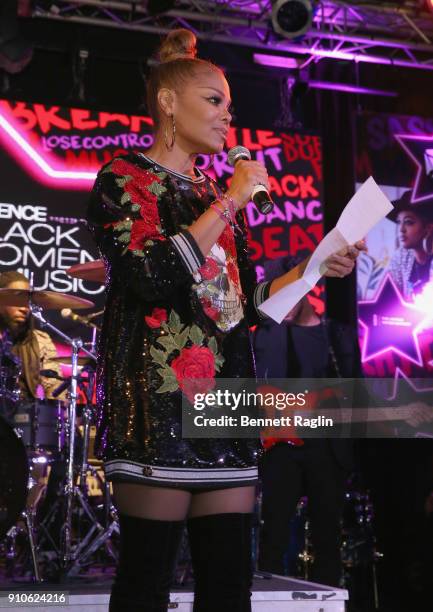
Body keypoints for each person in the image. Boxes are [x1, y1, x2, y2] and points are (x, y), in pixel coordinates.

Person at [86, 29, 364, 612]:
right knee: (146, 582)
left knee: (229, 585)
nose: (227, 119)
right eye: (215, 101)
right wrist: (230, 202)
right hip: (158, 400)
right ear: (168, 102)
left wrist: (313, 271)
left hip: (224, 406)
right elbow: (154, 277)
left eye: (230, 107)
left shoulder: (216, 194)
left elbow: (240, 309)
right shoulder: (125, 177)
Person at [254, 256, 365, 586]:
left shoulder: (336, 335)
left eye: (290, 293)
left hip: (326, 450)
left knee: (327, 538)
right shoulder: (265, 335)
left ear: (306, 290)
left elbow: (356, 393)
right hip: (279, 450)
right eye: (277, 295)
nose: (283, 303)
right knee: (273, 536)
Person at [0, 270, 62, 404]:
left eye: (27, 301)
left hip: (25, 419)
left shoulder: (41, 341)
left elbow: (55, 392)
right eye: (17, 299)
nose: (24, 308)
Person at [388, 190, 433, 300]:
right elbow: (392, 300)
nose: (401, 229)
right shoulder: (399, 258)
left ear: (428, 228)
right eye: (399, 222)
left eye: (408, 222)